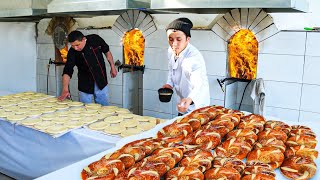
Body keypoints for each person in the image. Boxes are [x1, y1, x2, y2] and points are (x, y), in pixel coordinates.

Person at [162, 18, 210, 115]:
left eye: (179, 39)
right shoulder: (170, 50)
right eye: (170, 39)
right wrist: (169, 84)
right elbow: (171, 70)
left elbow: (199, 85)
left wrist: (190, 99)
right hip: (183, 102)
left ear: (187, 39)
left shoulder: (193, 58)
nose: (174, 44)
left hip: (197, 107)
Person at [58, 30, 117, 105]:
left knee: (103, 107)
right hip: (85, 82)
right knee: (84, 108)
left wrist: (112, 66)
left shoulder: (95, 39)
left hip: (100, 79)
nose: (75, 48)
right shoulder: (72, 52)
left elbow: (107, 51)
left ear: (83, 39)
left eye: (77, 45)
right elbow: (67, 70)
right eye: (72, 46)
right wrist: (65, 89)